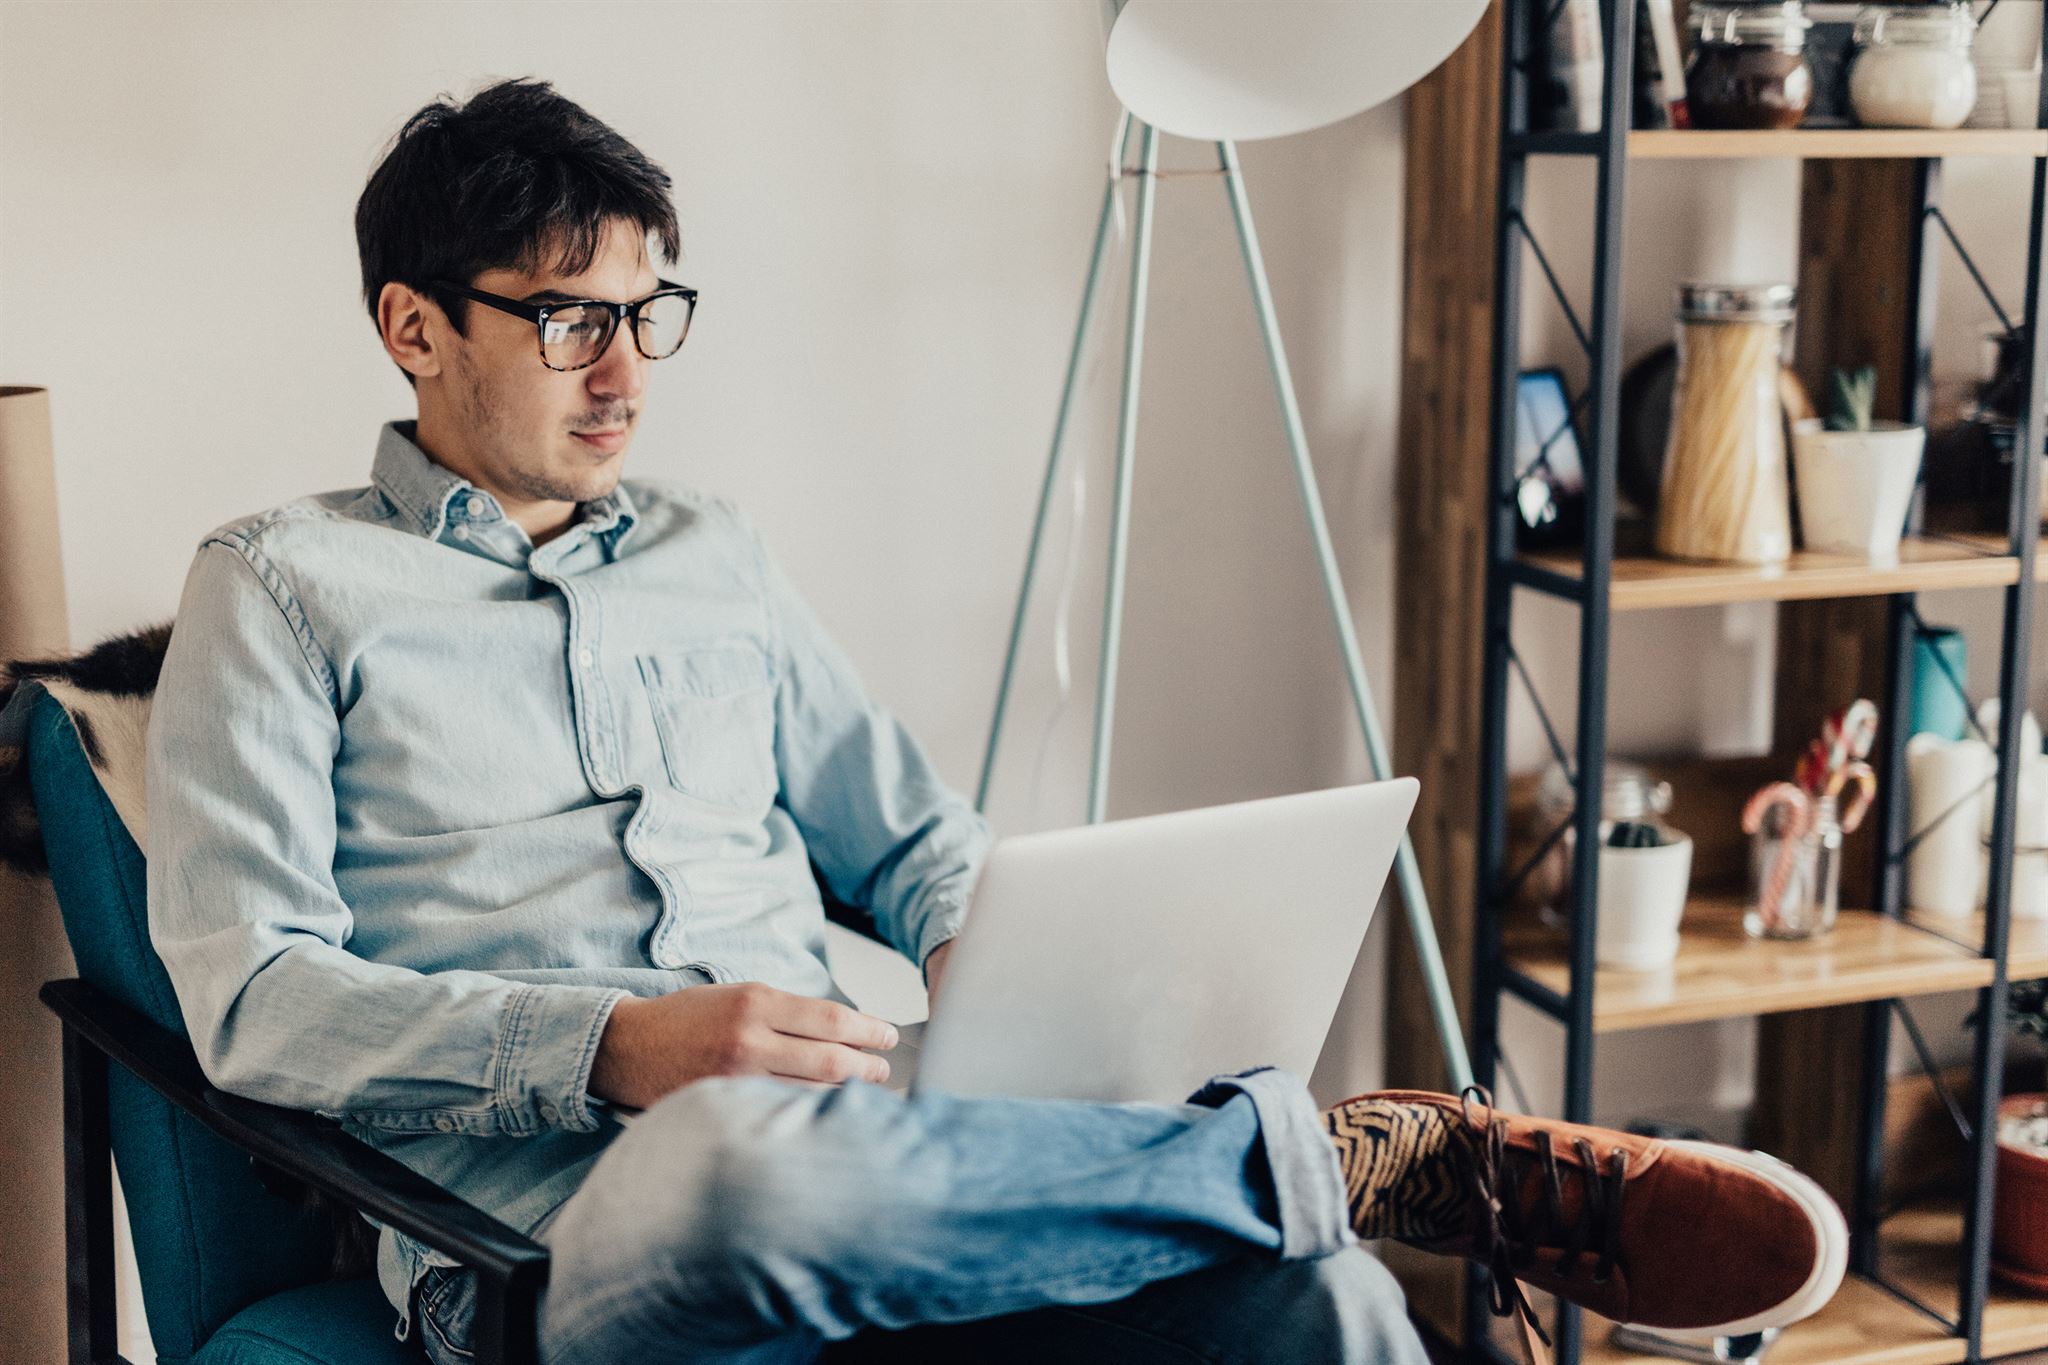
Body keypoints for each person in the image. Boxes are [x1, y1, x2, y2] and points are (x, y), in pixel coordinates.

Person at [144, 78, 1840, 1365]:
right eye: (573, 317)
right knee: (732, 1159)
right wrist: (614, 1045)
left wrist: (986, 947)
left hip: (893, 1168)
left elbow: (909, 837)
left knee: (1315, 1297)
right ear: (414, 328)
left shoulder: (707, 554)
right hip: (555, 1240)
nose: (630, 373)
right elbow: (257, 1000)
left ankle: (1318, 1191)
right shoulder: (282, 591)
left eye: (650, 313)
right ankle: (1337, 1158)